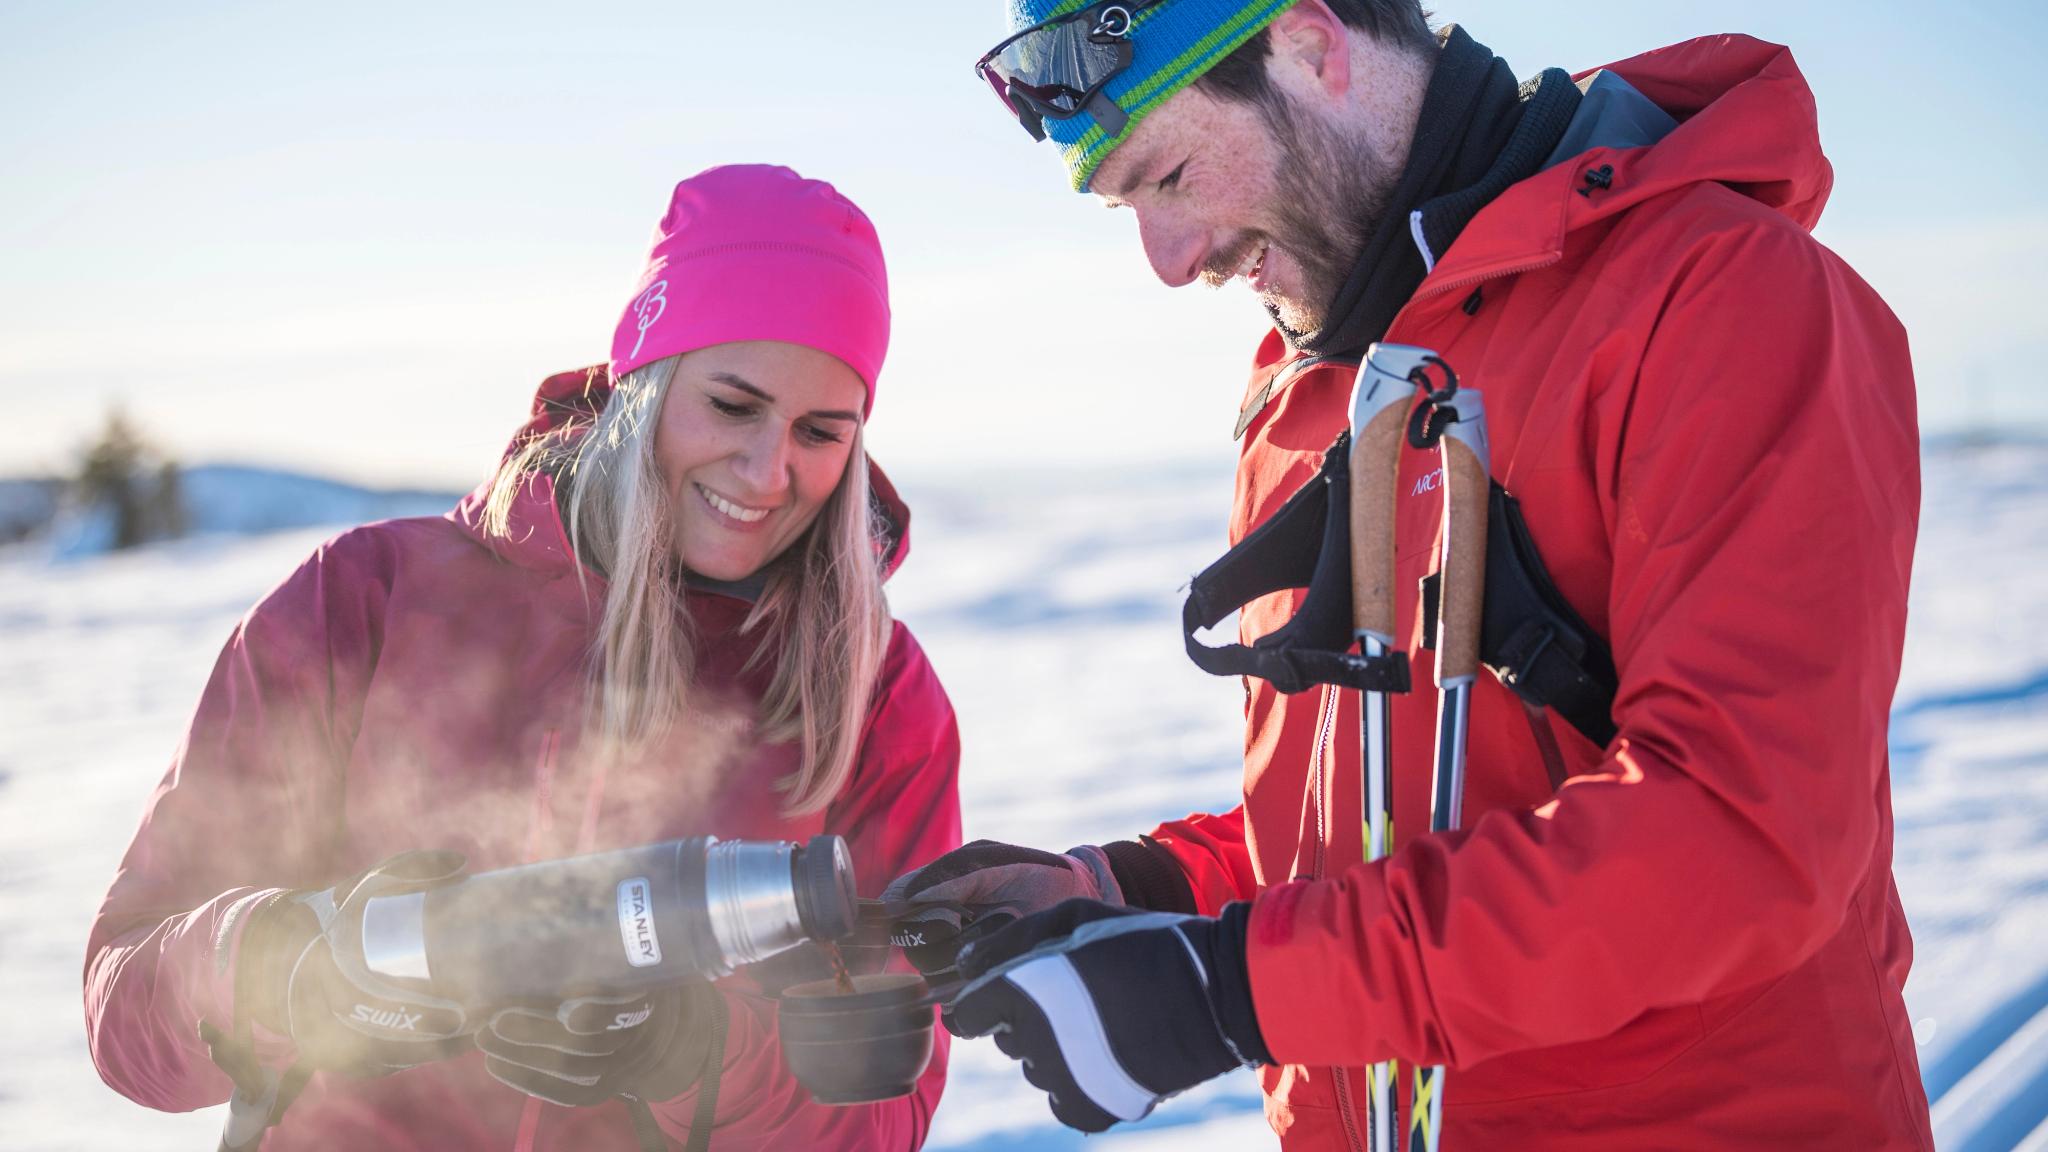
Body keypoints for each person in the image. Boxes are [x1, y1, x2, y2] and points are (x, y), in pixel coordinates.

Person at [887, 2, 1933, 1148]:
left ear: (1309, 44)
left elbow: (1742, 842)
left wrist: (1232, 990)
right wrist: (1130, 898)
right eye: (1126, 209)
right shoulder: (1308, 385)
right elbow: (1372, 830)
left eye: (1170, 177)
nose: (1169, 261)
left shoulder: (1718, 299)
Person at [85, 164, 963, 1151]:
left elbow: (886, 1113)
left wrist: (702, 1058)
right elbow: (125, 1019)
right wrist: (292, 964)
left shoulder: (870, 689)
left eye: (818, 432)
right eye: (730, 405)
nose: (768, 472)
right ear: (645, 380)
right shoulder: (365, 602)